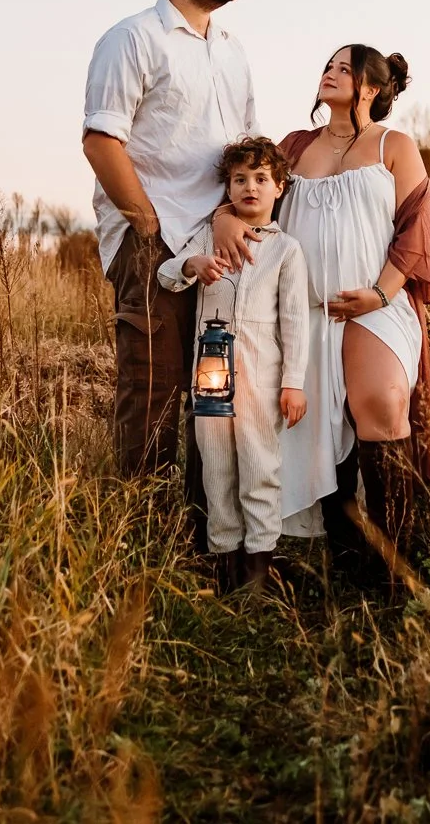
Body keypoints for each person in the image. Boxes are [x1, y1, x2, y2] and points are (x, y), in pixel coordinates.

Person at [218, 45, 430, 583]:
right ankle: (347, 558)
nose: (330, 73)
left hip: (373, 305)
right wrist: (226, 218)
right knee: (317, 426)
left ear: (370, 87)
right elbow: (246, 185)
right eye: (328, 65)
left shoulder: (394, 145)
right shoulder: (294, 147)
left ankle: (395, 567)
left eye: (345, 68)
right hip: (305, 313)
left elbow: (416, 228)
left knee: (383, 405)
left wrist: (381, 293)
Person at [82, 0, 260, 505]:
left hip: (220, 245)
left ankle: (208, 532)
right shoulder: (133, 39)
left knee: (215, 393)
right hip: (152, 239)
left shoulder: (233, 53)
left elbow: (246, 150)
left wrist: (233, 215)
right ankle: (144, 535)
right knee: (152, 387)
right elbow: (102, 140)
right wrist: (147, 224)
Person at [157, 138, 310, 592]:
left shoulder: (287, 252)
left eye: (261, 179)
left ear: (279, 188)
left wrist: (293, 383)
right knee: (217, 469)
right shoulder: (210, 235)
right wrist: (193, 265)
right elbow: (167, 273)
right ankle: (224, 571)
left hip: (262, 379)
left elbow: (296, 322)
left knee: (260, 469)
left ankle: (257, 577)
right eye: (240, 179)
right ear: (227, 186)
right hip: (212, 375)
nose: (250, 187)